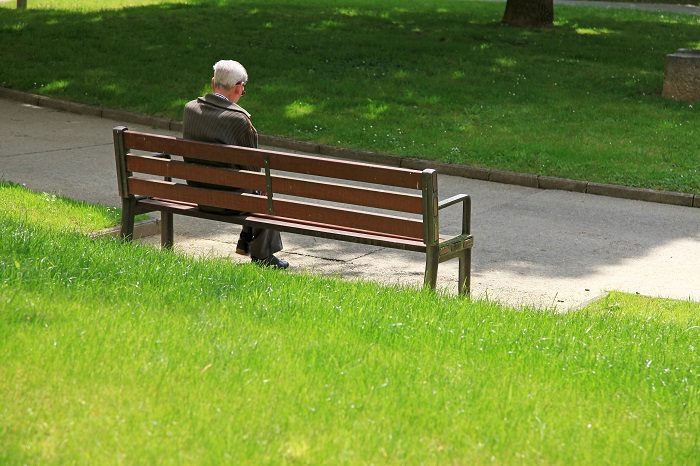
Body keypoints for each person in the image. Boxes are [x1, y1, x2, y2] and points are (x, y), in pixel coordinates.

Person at [182, 60, 288, 269]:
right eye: (243, 90)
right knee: (264, 191)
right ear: (238, 87)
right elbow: (254, 170)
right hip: (229, 203)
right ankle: (262, 256)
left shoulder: (190, 109)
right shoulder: (239, 119)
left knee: (251, 187)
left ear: (214, 84)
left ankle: (245, 241)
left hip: (197, 194)